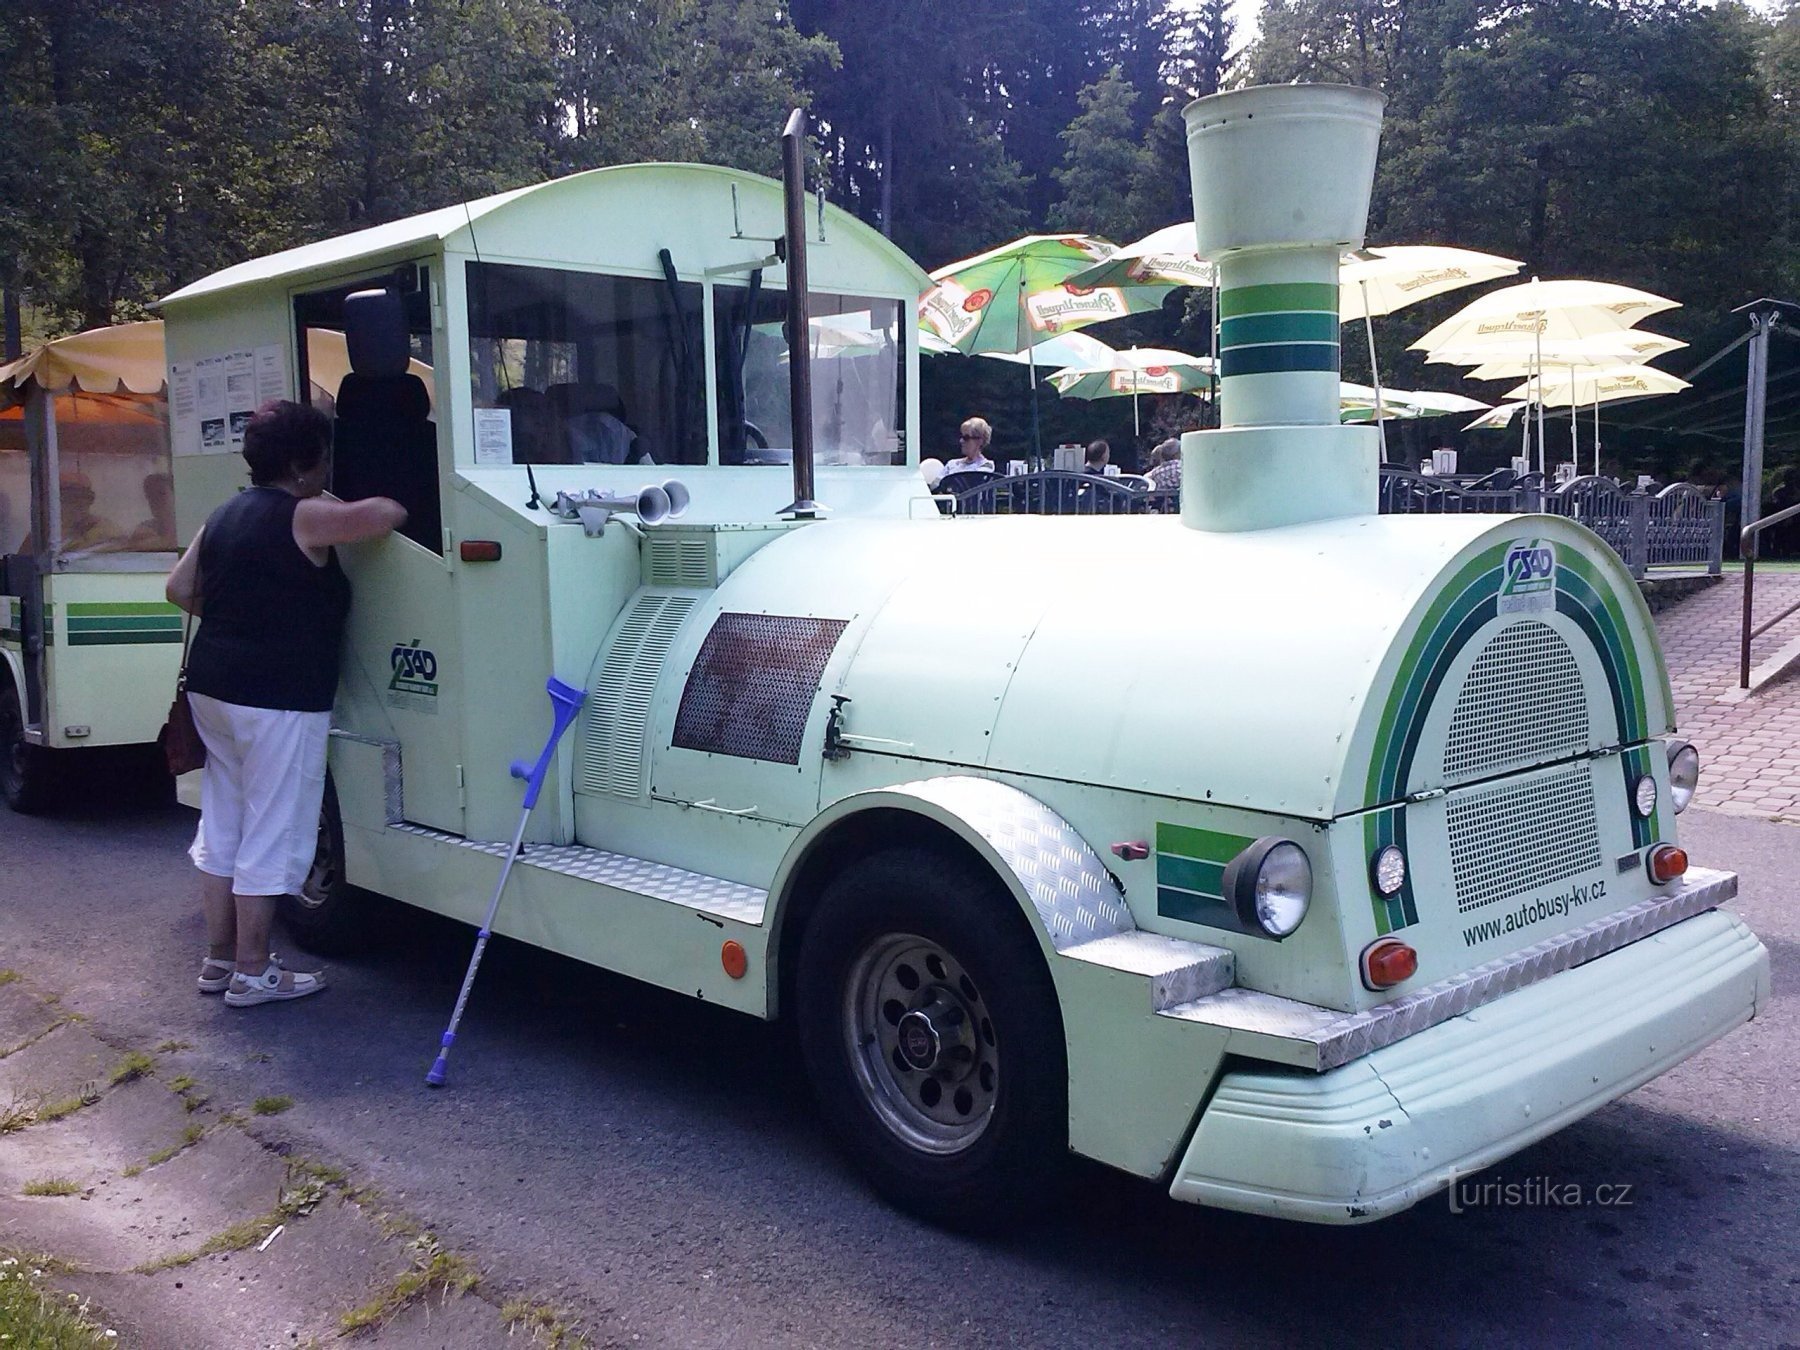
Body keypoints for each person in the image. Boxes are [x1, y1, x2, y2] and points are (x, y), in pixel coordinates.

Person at [165, 400, 406, 1008]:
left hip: (213, 688)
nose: (328, 467)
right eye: (323, 456)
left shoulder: (222, 515)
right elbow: (388, 514)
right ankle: (253, 972)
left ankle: (219, 960)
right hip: (278, 698)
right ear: (303, 463)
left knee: (224, 821)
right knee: (273, 828)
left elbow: (178, 588)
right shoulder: (305, 516)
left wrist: (243, 615)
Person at [127, 471, 177, 550]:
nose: (155, 500)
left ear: (175, 496)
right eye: (150, 495)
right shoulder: (145, 529)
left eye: (161, 493)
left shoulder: (188, 527)